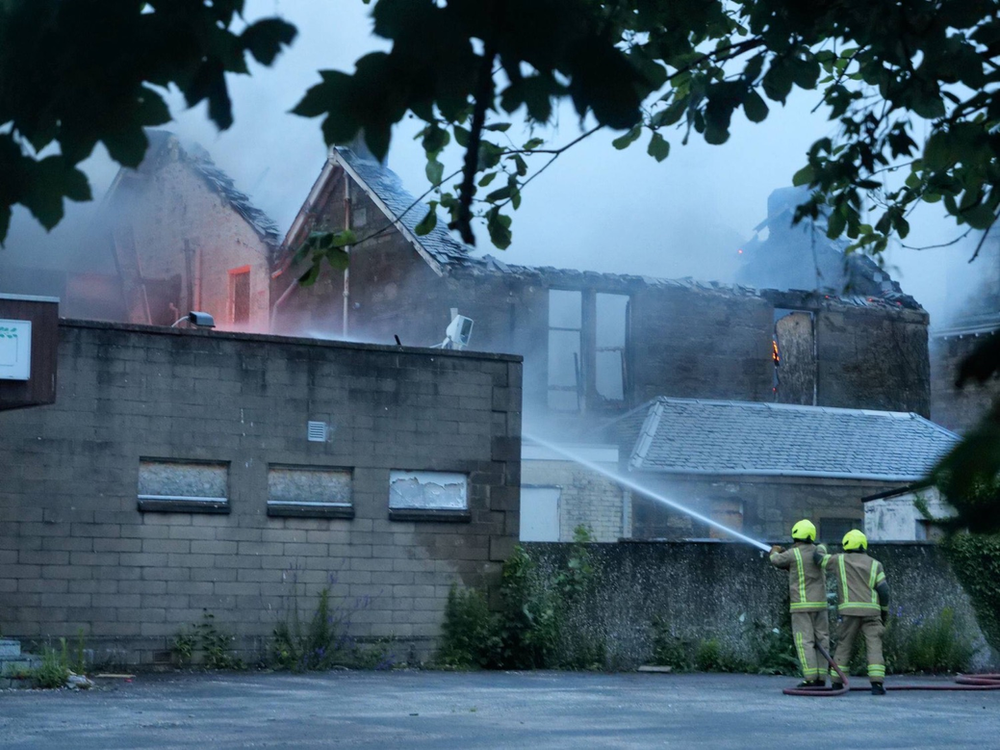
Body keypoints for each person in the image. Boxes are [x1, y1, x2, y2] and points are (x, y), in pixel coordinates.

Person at [815, 529, 890, 695]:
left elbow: (818, 559)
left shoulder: (839, 560)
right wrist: (884, 612)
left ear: (846, 544)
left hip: (849, 612)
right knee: (874, 645)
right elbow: (884, 591)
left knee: (844, 644)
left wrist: (821, 546)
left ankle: (836, 682)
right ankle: (877, 684)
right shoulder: (875, 564)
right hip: (872, 612)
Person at [769, 519, 829, 688]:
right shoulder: (819, 552)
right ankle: (821, 678)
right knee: (822, 640)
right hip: (820, 605)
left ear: (796, 536)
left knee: (805, 641)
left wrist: (774, 551)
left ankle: (810, 678)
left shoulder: (793, 554)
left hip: (801, 606)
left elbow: (776, 560)